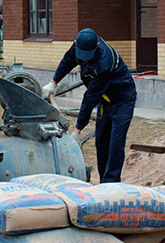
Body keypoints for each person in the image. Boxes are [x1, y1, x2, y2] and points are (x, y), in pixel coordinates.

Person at [42, 28, 137, 183]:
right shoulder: (80, 45)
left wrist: (77, 130)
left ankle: (111, 185)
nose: (84, 60)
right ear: (75, 44)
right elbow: (68, 61)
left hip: (123, 100)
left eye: (88, 57)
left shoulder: (105, 63)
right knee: (101, 142)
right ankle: (103, 182)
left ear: (97, 46)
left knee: (115, 144)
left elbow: (90, 98)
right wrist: (54, 82)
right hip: (105, 100)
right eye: (82, 56)